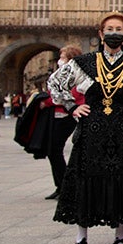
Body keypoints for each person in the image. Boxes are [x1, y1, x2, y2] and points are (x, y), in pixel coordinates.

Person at [48, 12, 123, 244]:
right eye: (109, 29)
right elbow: (55, 82)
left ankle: (120, 236)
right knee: (87, 182)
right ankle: (81, 239)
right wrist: (72, 106)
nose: (114, 33)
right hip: (91, 132)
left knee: (120, 182)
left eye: (119, 29)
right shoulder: (83, 63)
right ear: (100, 33)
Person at [43, 46, 83, 200]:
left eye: (63, 56)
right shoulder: (61, 74)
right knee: (52, 151)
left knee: (54, 150)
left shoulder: (75, 73)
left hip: (67, 116)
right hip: (58, 115)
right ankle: (60, 186)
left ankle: (66, 187)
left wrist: (47, 102)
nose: (60, 59)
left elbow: (71, 96)